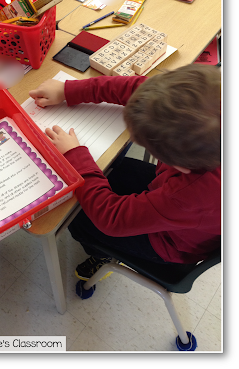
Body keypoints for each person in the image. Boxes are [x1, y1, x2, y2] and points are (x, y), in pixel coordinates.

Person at [29, 64, 221, 281]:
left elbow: (112, 220)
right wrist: (67, 90)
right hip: (183, 204)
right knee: (116, 170)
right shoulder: (209, 111)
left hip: (169, 243)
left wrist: (75, 155)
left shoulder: (189, 195)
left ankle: (100, 254)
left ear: (182, 167)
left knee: (77, 217)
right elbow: (140, 88)